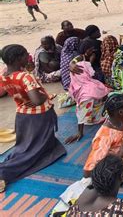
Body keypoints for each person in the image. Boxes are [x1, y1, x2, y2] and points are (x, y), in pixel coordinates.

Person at [0, 44, 66, 192]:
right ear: (17, 59)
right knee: (32, 151)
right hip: (38, 115)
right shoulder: (25, 77)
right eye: (25, 55)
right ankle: (4, 172)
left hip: (22, 114)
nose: (28, 56)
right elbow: (36, 100)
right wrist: (44, 95)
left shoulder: (4, 75)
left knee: (24, 146)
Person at [65, 53, 111, 144]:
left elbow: (82, 113)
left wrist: (79, 132)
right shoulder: (92, 87)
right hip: (95, 114)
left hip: (91, 114)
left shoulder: (79, 87)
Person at [83, 94, 123, 177]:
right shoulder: (104, 138)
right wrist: (121, 153)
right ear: (121, 112)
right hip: (116, 167)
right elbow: (87, 172)